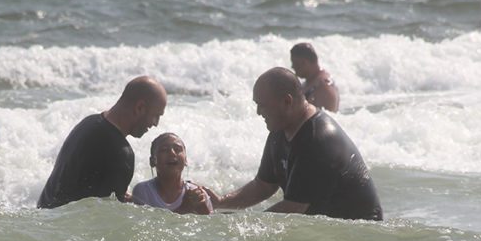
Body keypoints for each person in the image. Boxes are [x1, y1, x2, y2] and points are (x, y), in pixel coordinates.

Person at [208, 67, 382, 220]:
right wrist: (220, 203)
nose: (258, 112)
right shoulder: (279, 130)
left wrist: (237, 227)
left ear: (287, 101)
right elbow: (262, 186)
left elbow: (293, 208)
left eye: (262, 105)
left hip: (360, 234)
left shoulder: (317, 139)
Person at [38, 75, 167, 209]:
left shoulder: (88, 124)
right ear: (140, 108)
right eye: (156, 115)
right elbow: (108, 218)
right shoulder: (121, 155)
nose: (156, 123)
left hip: (44, 214)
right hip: (63, 226)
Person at [131, 132, 212, 214]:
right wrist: (185, 208)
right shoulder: (144, 190)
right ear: (152, 161)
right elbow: (149, 225)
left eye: (178, 149)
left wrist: (203, 208)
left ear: (186, 160)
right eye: (164, 150)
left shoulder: (198, 195)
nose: (172, 153)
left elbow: (211, 224)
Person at [290, 42, 339, 112]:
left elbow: (325, 117)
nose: (292, 67)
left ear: (304, 62)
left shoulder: (324, 86)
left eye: (294, 63)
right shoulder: (310, 81)